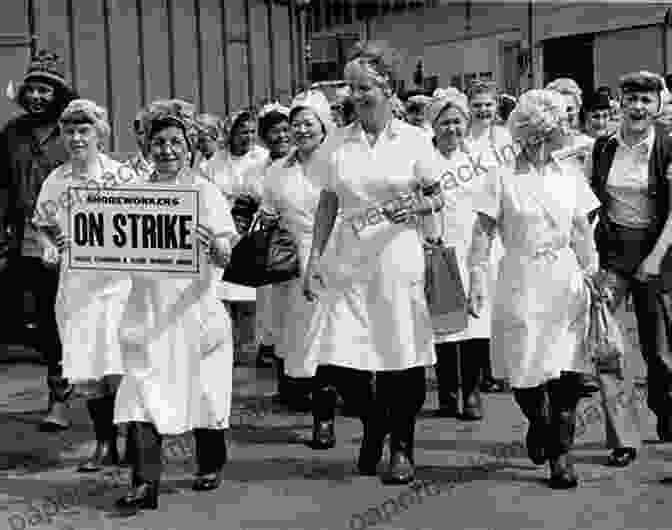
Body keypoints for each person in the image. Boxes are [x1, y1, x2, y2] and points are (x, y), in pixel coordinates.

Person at [302, 41, 443, 485]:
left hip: (398, 259)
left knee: (402, 356)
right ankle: (373, 424)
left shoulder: (415, 139)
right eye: (352, 87)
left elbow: (438, 194)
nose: (357, 95)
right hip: (348, 260)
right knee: (345, 361)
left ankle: (400, 445)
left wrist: (417, 208)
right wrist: (314, 258)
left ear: (387, 87)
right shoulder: (337, 143)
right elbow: (327, 202)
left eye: (365, 87)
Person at [469, 89, 600, 489]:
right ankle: (538, 422)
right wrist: (476, 278)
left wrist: (593, 271)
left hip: (565, 277)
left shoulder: (569, 174)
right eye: (541, 135)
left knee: (567, 371)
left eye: (555, 133)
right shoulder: (501, 175)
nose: (548, 142)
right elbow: (482, 232)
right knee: (526, 371)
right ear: (526, 134)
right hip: (520, 275)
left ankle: (562, 455)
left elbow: (581, 230)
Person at [114, 99, 237, 512]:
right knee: (140, 392)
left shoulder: (205, 192)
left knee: (204, 393)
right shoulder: (133, 194)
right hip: (147, 310)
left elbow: (226, 255)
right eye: (159, 142)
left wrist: (214, 245)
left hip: (194, 309)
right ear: (147, 146)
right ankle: (145, 482)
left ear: (190, 147)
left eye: (175, 143)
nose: (166, 150)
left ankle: (211, 461)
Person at [33, 99, 137, 472]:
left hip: (119, 284)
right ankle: (105, 445)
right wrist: (49, 245)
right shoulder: (57, 179)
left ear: (100, 134)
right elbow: (42, 221)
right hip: (77, 287)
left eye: (84, 131)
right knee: (91, 367)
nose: (77, 138)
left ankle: (134, 444)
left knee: (119, 365)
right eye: (70, 131)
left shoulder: (122, 177)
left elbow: (144, 222)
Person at [588, 71, 672, 448]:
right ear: (620, 103)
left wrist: (654, 259)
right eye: (631, 99)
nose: (637, 107)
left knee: (659, 350)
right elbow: (589, 204)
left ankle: (666, 412)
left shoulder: (669, 146)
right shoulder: (603, 147)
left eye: (645, 100)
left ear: (657, 106)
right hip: (612, 254)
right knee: (606, 346)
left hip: (657, 255)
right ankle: (622, 438)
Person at [0, 50, 79, 430]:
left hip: (66, 242)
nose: (36, 96)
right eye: (31, 89)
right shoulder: (12, 132)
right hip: (22, 240)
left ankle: (61, 397)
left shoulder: (72, 133)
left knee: (58, 316)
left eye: (45, 90)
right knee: (35, 320)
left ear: (58, 95)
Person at [260, 91, 333, 413]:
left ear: (323, 125)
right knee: (298, 336)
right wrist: (269, 217)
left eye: (308, 123)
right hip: (290, 261)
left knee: (327, 336)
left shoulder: (335, 162)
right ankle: (304, 394)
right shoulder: (278, 169)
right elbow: (268, 209)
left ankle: (325, 412)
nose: (301, 130)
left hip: (332, 256)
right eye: (296, 124)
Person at [203, 108, 269, 365]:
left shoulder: (262, 159)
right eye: (242, 132)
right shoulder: (213, 163)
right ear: (230, 133)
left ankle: (249, 349)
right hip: (223, 230)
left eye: (252, 132)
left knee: (249, 294)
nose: (248, 137)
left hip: (252, 229)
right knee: (222, 292)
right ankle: (224, 348)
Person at [464, 80, 512, 393]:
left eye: (488, 104)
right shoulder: (462, 138)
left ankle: (498, 366)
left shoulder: (506, 138)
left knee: (497, 295)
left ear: (496, 106)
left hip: (497, 223)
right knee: (474, 292)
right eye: (477, 104)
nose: (483, 110)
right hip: (468, 219)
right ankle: (476, 368)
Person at [255, 102, 292, 371]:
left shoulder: (304, 162)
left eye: (284, 130)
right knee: (275, 309)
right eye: (274, 132)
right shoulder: (257, 168)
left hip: (300, 242)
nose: (280, 136)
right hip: (269, 247)